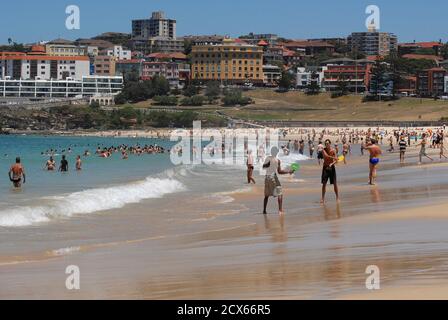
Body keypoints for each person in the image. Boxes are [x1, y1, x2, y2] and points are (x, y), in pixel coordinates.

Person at [262, 147, 293, 215]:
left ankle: (264, 210)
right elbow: (279, 172)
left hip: (267, 178)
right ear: (276, 152)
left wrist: (267, 165)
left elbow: (263, 167)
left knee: (266, 195)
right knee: (280, 193)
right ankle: (280, 210)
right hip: (273, 177)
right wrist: (288, 171)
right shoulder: (277, 161)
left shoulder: (267, 158)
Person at [321, 140, 339, 204]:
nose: (326, 144)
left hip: (332, 168)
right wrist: (334, 158)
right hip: (325, 168)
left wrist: (332, 163)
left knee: (335, 183)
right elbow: (326, 157)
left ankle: (337, 198)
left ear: (330, 144)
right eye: (325, 143)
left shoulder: (333, 150)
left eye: (328, 143)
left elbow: (336, 160)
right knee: (324, 184)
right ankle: (322, 199)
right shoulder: (323, 150)